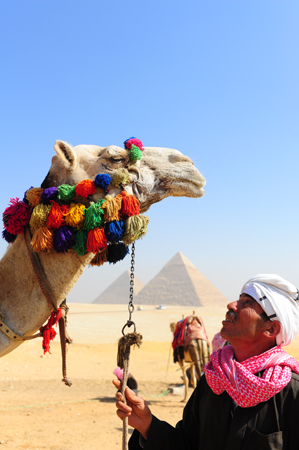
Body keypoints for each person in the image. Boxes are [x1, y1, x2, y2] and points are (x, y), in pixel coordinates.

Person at [113, 274, 299, 449]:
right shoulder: (213, 380)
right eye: (238, 299)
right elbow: (187, 443)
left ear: (272, 328)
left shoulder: (291, 392)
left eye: (247, 302)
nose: (231, 305)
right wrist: (148, 426)